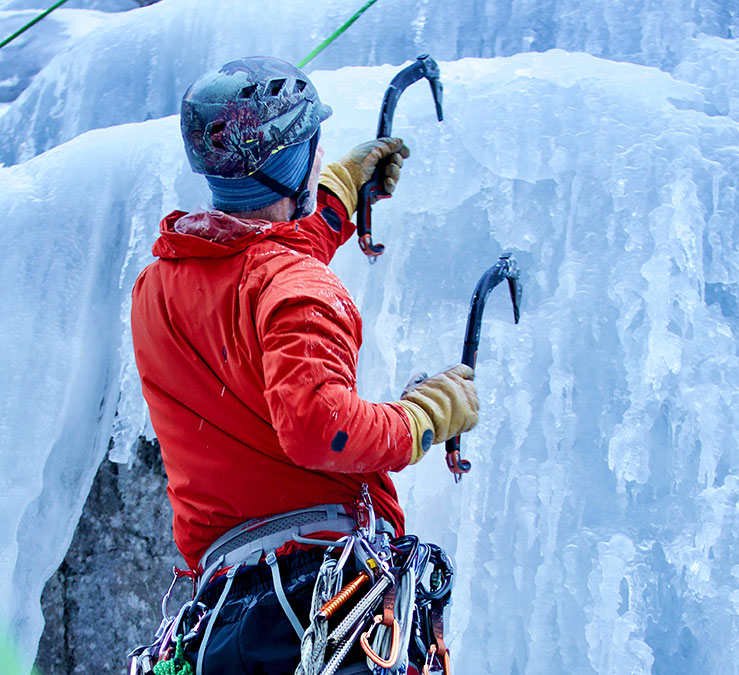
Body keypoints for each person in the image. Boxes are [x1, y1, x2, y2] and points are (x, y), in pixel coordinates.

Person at [130, 56, 478, 674]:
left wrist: (337, 198)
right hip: (319, 603)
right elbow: (322, 430)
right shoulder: (297, 287)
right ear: (295, 162)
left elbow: (246, 265)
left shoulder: (157, 289)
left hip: (222, 619)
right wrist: (420, 418)